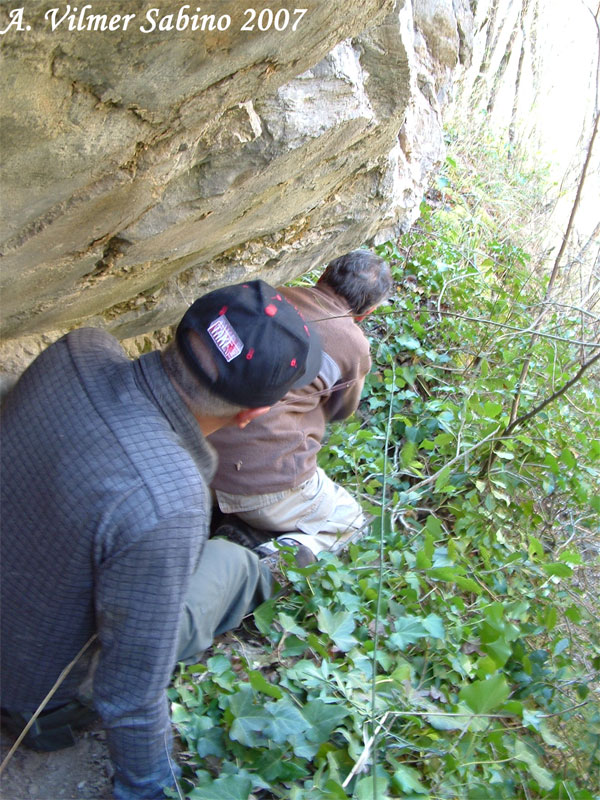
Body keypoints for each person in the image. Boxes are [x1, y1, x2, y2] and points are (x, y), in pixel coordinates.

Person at [0, 280, 322, 800]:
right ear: (250, 414)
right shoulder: (168, 498)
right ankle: (273, 563)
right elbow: (130, 690)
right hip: (31, 697)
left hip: (34, 552)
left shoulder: (80, 348)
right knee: (233, 564)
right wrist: (149, 789)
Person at [208, 250, 392, 558]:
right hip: (260, 486)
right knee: (352, 523)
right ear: (366, 313)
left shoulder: (273, 295)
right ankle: (266, 560)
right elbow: (341, 410)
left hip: (196, 450)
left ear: (322, 275)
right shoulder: (355, 346)